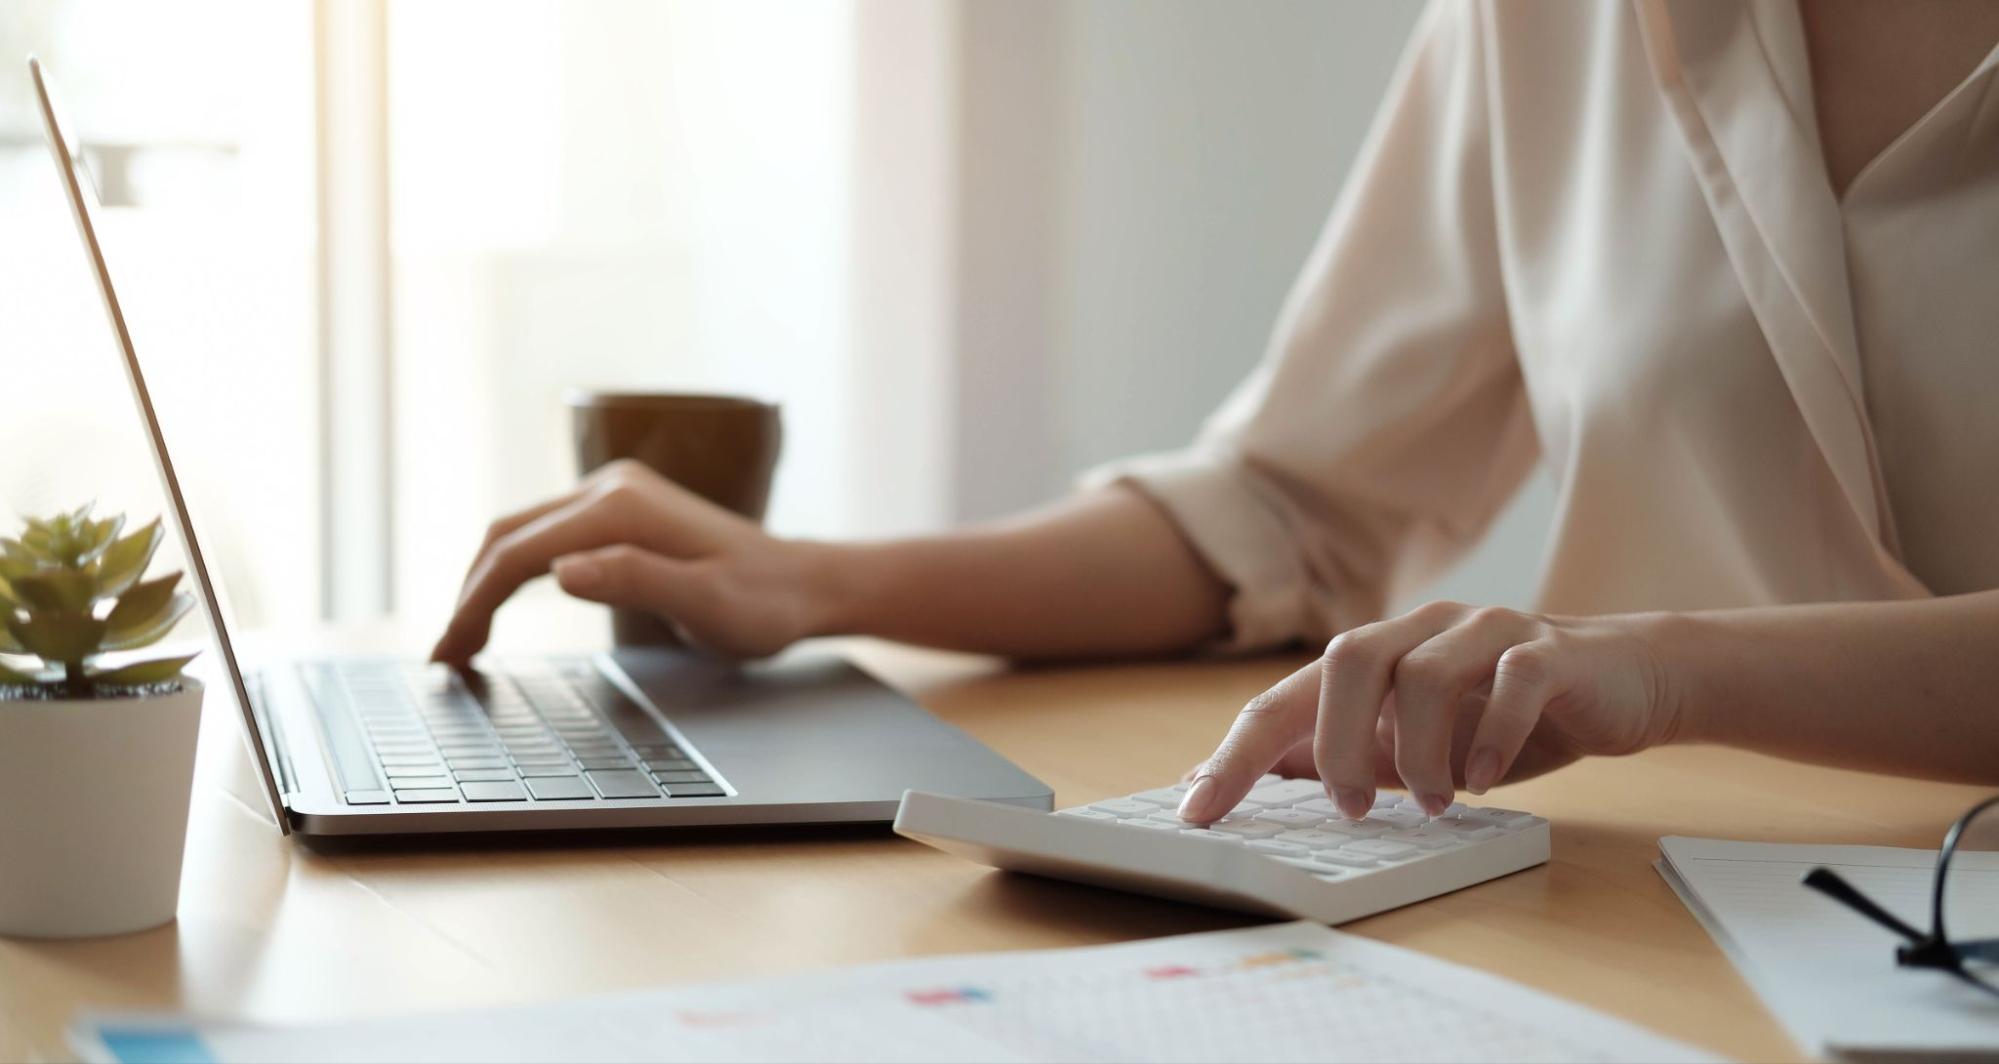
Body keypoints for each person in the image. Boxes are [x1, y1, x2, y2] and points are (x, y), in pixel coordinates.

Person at [433, 0, 1999, 826]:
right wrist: (818, 581)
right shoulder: (1549, 18)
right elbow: (1293, 508)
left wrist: (1654, 670)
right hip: (1653, 915)